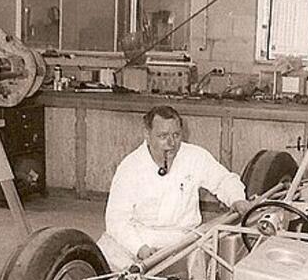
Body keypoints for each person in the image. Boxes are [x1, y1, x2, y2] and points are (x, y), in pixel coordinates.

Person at [97, 105, 250, 271]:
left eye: (176, 135)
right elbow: (116, 219)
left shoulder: (195, 156)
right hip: (140, 237)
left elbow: (224, 180)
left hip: (183, 240)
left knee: (217, 267)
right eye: (163, 136)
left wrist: (237, 199)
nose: (171, 143)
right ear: (147, 135)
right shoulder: (130, 167)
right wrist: (140, 249)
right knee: (102, 260)